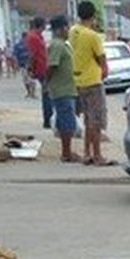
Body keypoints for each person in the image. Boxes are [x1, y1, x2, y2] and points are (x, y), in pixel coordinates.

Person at [70, 0, 113, 166]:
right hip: (93, 81)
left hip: (79, 81)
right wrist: (104, 71)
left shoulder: (74, 31)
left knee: (88, 119)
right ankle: (97, 155)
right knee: (97, 120)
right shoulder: (93, 36)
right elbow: (102, 60)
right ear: (93, 15)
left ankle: (87, 152)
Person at [46, 15, 80, 163]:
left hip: (67, 88)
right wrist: (47, 83)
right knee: (67, 121)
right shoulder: (57, 45)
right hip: (62, 89)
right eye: (67, 28)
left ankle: (66, 151)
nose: (69, 31)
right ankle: (67, 152)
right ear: (60, 29)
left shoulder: (62, 44)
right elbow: (52, 66)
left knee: (65, 119)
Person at [25, 16, 52, 129]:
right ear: (41, 26)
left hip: (43, 67)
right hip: (41, 69)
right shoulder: (33, 37)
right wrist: (30, 68)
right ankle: (47, 120)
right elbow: (32, 55)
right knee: (47, 94)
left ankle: (48, 118)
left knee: (47, 94)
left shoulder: (38, 37)